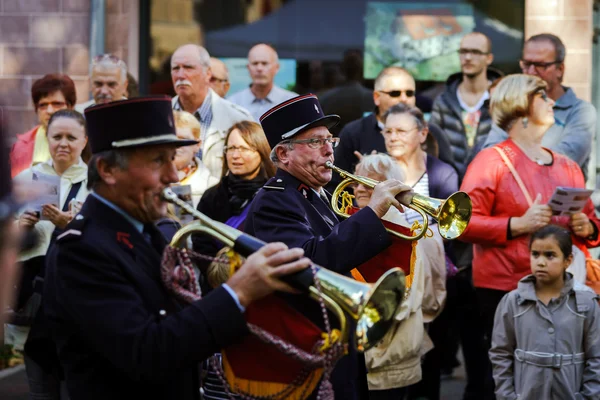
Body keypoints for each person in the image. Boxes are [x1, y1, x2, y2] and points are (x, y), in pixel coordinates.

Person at [42, 96, 311, 400]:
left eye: (172, 159)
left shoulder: (154, 231)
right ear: (107, 169)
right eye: (159, 160)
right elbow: (147, 354)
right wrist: (237, 292)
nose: (173, 175)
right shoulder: (81, 250)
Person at [244, 94, 413, 399]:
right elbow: (310, 262)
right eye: (315, 142)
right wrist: (371, 213)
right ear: (283, 154)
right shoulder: (274, 199)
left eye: (329, 140)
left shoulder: (312, 193)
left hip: (332, 340)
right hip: (305, 349)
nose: (329, 152)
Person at [459, 74, 600, 399]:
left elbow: (592, 223)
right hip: (506, 292)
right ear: (521, 108)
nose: (552, 101)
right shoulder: (491, 161)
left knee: (564, 375)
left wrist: (586, 227)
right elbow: (462, 225)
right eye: (542, 96)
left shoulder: (566, 165)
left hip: (564, 292)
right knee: (504, 379)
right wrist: (516, 225)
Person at [350, 153, 446, 400]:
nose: (359, 189)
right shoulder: (353, 221)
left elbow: (410, 300)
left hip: (386, 353)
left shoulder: (400, 233)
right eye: (356, 182)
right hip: (372, 354)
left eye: (369, 183)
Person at [12, 109, 90, 399]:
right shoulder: (24, 180)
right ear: (48, 138)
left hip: (78, 300)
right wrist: (19, 228)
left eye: (72, 137)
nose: (64, 144)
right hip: (34, 297)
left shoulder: (97, 185)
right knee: (40, 385)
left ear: (84, 141)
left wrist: (71, 226)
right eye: (57, 136)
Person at [489, 225, 600, 399]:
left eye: (550, 255)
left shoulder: (586, 302)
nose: (541, 262)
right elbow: (500, 354)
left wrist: (589, 396)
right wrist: (507, 395)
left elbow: (596, 357)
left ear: (568, 260)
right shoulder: (512, 302)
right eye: (535, 254)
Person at [483, 33, 597, 180]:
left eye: (540, 66)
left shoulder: (581, 112)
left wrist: (512, 163)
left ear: (560, 69)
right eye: (526, 64)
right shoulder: (513, 105)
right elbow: (491, 156)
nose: (531, 72)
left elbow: (562, 162)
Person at [331, 66, 454, 195]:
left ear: (421, 134)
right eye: (395, 93)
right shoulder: (353, 133)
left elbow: (448, 180)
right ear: (377, 97)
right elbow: (336, 187)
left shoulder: (432, 132)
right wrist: (362, 179)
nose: (404, 98)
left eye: (409, 93)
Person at [194, 120, 275, 256]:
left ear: (262, 152)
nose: (236, 155)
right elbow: (200, 241)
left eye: (244, 149)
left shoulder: (275, 196)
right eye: (231, 148)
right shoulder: (212, 196)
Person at [171, 44, 252, 178]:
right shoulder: (158, 118)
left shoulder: (237, 118)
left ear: (208, 73)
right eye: (175, 68)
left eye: (188, 67)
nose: (180, 75)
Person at [430, 32, 502, 178]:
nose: (468, 58)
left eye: (475, 52)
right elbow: (433, 147)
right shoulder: (444, 100)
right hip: (449, 186)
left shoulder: (500, 98)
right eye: (463, 52)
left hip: (489, 181)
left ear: (489, 58)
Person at [10, 74, 77, 178]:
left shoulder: (86, 143)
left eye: (57, 104)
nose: (49, 111)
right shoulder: (21, 147)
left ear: (70, 106)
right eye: (43, 105)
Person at [228, 43, 298, 121]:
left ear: (277, 67)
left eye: (264, 63)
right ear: (248, 68)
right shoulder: (233, 103)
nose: (259, 68)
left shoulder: (292, 102)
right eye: (255, 63)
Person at [173, 110, 218, 207]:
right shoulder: (149, 181)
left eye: (182, 139)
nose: (176, 145)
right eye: (171, 139)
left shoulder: (213, 187)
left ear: (197, 145)